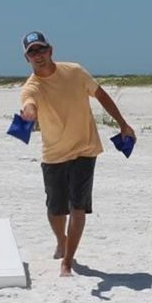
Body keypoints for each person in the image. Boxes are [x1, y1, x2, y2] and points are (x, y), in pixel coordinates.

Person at [18, 31, 136, 277]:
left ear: (51, 50)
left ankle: (67, 262)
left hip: (85, 148)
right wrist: (28, 115)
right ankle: (61, 240)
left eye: (41, 49)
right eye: (32, 52)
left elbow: (101, 95)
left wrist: (122, 123)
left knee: (78, 207)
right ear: (26, 58)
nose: (38, 55)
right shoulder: (31, 87)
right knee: (55, 209)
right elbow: (29, 105)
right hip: (54, 153)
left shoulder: (75, 71)